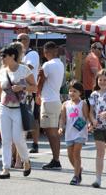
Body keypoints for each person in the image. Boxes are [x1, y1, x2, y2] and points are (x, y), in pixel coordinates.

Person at [0, 43, 36, 179]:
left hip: (18, 109)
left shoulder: (24, 70)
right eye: (1, 56)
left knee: (18, 139)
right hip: (4, 108)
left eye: (4, 56)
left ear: (12, 56)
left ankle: (26, 160)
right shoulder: (1, 72)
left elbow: (35, 88)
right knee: (6, 140)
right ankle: (5, 168)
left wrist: (22, 88)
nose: (2, 59)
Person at [37, 41, 64, 170]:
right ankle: (56, 159)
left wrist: (37, 95)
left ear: (46, 52)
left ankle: (55, 159)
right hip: (55, 100)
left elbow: (40, 81)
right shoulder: (60, 64)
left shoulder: (47, 65)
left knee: (50, 132)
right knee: (53, 131)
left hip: (48, 100)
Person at [58, 80, 89, 185]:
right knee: (70, 155)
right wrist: (61, 127)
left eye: (74, 91)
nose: (71, 93)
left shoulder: (83, 103)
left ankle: (76, 176)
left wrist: (85, 125)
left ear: (80, 92)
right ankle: (78, 169)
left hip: (80, 132)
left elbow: (85, 117)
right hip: (69, 133)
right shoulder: (65, 104)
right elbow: (62, 118)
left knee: (76, 153)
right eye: (70, 91)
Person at [18, 33, 40, 154]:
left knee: (33, 118)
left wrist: (15, 62)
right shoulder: (19, 55)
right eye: (17, 40)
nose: (18, 41)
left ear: (26, 41)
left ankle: (35, 143)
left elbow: (29, 67)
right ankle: (21, 145)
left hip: (30, 90)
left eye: (20, 39)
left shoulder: (32, 54)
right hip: (20, 90)